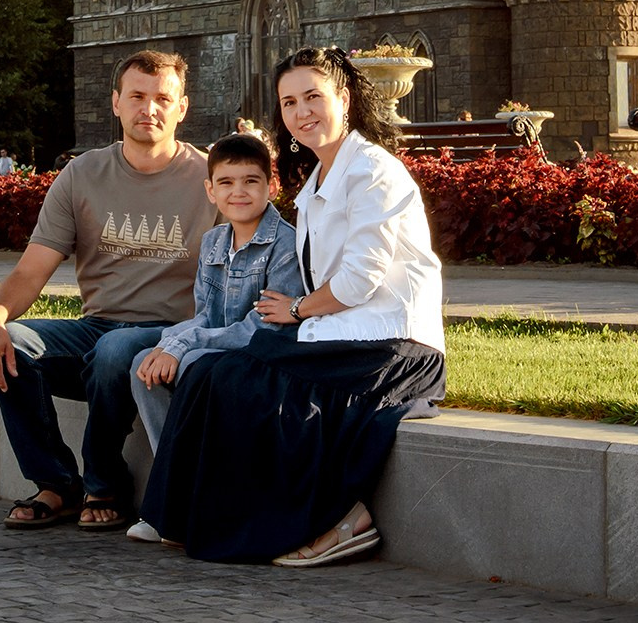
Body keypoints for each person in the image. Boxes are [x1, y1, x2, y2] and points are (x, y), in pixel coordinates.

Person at [141, 45, 446, 567]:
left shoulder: (373, 170)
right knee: (216, 373)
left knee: (241, 380)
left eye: (313, 96)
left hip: (394, 345)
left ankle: (344, 519)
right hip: (341, 333)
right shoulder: (317, 182)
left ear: (343, 99)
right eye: (288, 103)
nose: (302, 112)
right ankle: (186, 518)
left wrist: (299, 311)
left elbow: (359, 279)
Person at [0, 49, 218, 534]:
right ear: (116, 103)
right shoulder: (82, 175)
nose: (149, 108)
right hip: (98, 329)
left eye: (162, 99)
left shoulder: (211, 177)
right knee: (16, 344)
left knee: (116, 350)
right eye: (137, 97)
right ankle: (58, 484)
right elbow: (32, 269)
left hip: (173, 337)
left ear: (182, 107)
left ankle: (105, 482)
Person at [124, 132, 303, 542]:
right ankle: (175, 494)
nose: (238, 192)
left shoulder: (286, 244)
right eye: (226, 182)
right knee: (143, 363)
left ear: (271, 186)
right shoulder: (213, 242)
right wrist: (169, 343)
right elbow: (204, 313)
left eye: (251, 181)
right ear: (210, 190)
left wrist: (184, 346)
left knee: (189, 363)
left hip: (263, 356)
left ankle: (189, 500)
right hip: (217, 352)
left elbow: (265, 326)